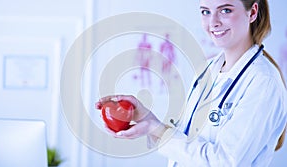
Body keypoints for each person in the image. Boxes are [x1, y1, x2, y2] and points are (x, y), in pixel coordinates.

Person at [96, 0, 287, 166]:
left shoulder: (264, 83)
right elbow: (188, 140)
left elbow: (225, 162)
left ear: (252, 12)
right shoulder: (208, 69)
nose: (213, 22)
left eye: (225, 10)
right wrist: (146, 119)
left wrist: (155, 129)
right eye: (205, 11)